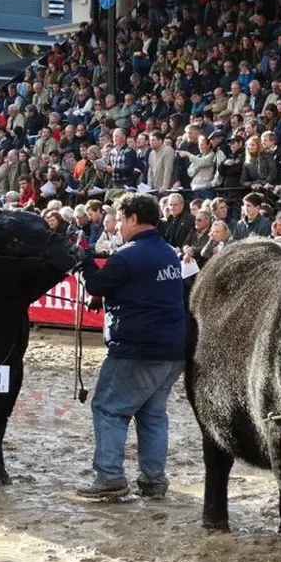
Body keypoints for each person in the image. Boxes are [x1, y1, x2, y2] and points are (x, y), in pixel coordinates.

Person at [76, 192, 186, 501]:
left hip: (137, 348)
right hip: (172, 347)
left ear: (134, 219)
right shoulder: (167, 252)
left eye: (122, 220)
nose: (119, 226)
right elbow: (136, 287)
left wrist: (85, 262)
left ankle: (110, 477)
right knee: (152, 415)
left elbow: (97, 284)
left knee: (108, 408)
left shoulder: (127, 254)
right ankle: (153, 481)